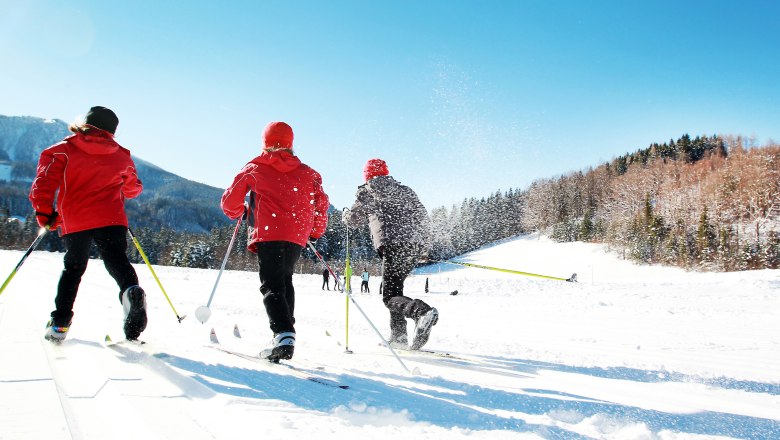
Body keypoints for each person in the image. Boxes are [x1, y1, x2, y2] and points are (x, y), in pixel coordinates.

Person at [29, 106, 148, 342]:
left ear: (85, 123)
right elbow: (133, 189)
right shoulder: (121, 155)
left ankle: (60, 324)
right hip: (111, 218)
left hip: (77, 219)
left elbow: (44, 183)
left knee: (73, 269)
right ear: (112, 131)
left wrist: (44, 213)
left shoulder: (62, 150)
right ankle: (130, 291)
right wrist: (123, 185)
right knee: (117, 261)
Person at [221, 121, 328, 361]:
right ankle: (286, 332)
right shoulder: (308, 172)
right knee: (284, 280)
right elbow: (321, 205)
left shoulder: (256, 167)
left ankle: (282, 334)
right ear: (290, 143)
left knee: (271, 284)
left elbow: (229, 203)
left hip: (269, 233)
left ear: (266, 143)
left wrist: (240, 208)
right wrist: (315, 231)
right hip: (296, 236)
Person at [343, 158, 438, 350]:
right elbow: (423, 218)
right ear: (386, 172)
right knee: (395, 291)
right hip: (413, 246)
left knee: (389, 297)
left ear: (367, 175)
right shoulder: (405, 190)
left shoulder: (367, 192)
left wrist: (345, 214)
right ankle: (398, 337)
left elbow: (353, 219)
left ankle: (420, 311)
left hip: (393, 246)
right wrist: (423, 247)